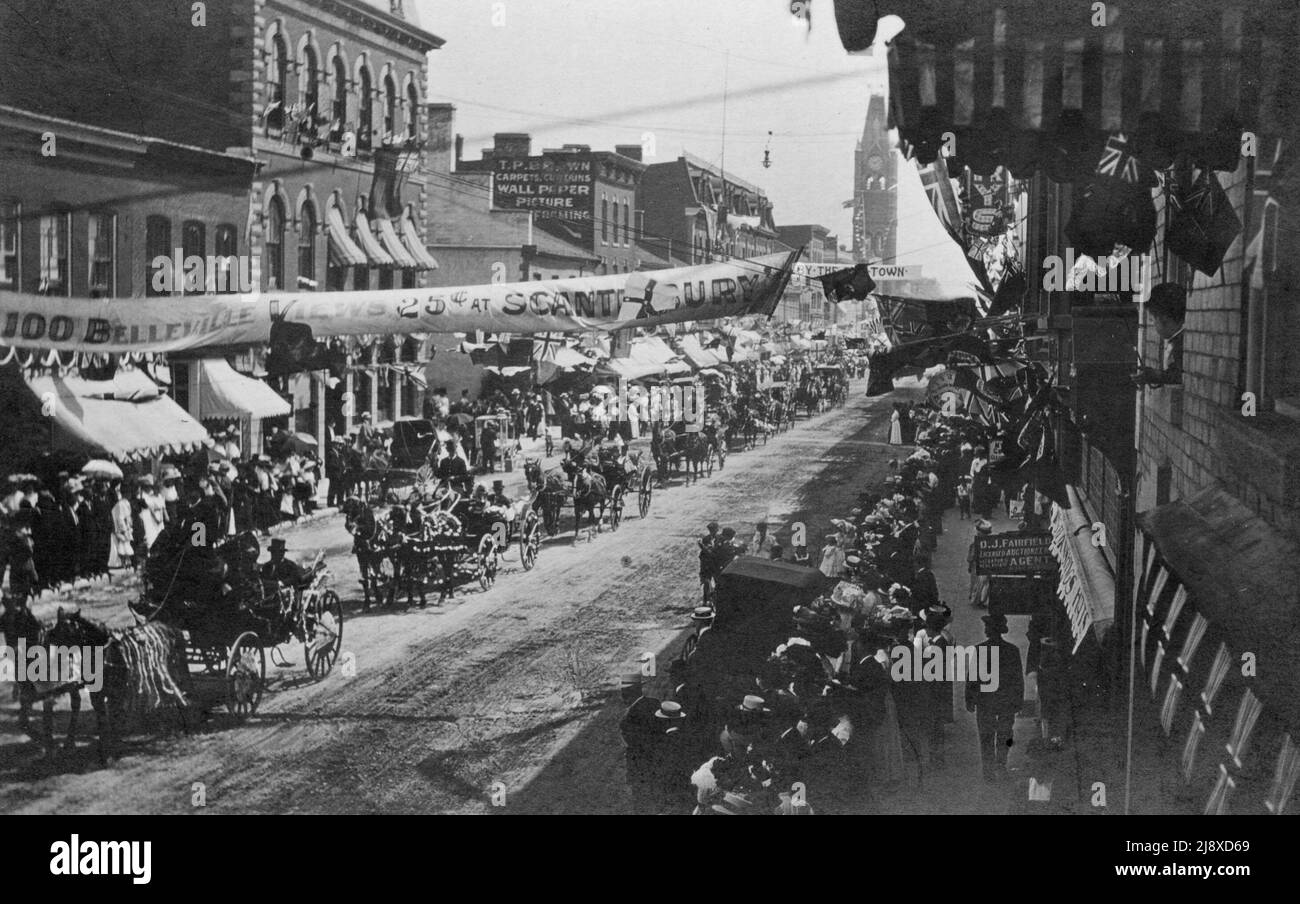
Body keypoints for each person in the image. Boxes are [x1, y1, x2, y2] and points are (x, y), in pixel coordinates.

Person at [966, 613, 1025, 781]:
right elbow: (1017, 679)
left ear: (991, 630)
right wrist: (1018, 702)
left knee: (986, 736)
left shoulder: (980, 649)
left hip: (986, 703)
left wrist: (970, 700)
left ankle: (989, 771)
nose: (985, 630)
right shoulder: (1012, 650)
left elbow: (972, 678)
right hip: (1006, 702)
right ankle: (1001, 765)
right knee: (1005, 735)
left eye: (987, 627)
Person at [619, 673, 661, 814]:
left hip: (640, 770)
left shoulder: (627, 719)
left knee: (642, 805)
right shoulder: (655, 703)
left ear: (626, 694)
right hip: (660, 763)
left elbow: (632, 746)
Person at [1133, 282, 1186, 388]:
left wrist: (1157, 375)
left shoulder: (1181, 344)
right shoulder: (1178, 339)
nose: (1152, 325)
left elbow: (1179, 375)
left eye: (1152, 320)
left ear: (1163, 318)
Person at [969, 520, 992, 608]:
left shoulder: (976, 543)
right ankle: (980, 600)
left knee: (979, 582)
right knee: (983, 583)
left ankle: (977, 599)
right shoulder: (989, 542)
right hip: (982, 565)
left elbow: (971, 556)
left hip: (980, 565)